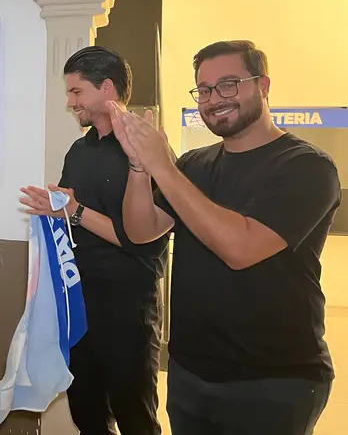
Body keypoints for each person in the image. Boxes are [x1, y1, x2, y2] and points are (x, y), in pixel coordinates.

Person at [111, 40, 341, 435]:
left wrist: (163, 168)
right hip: (190, 373)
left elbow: (240, 249)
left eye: (229, 84)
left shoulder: (307, 166)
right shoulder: (195, 164)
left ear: (263, 85)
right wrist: (138, 166)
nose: (214, 98)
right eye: (204, 89)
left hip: (274, 381)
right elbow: (141, 230)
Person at [20, 46, 167, 435]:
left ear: (107, 88)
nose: (70, 103)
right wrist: (56, 210)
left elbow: (143, 241)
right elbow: (72, 216)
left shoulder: (149, 149)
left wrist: (76, 210)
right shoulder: (79, 150)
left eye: (76, 92)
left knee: (135, 416)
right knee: (86, 413)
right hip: (80, 302)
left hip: (128, 306)